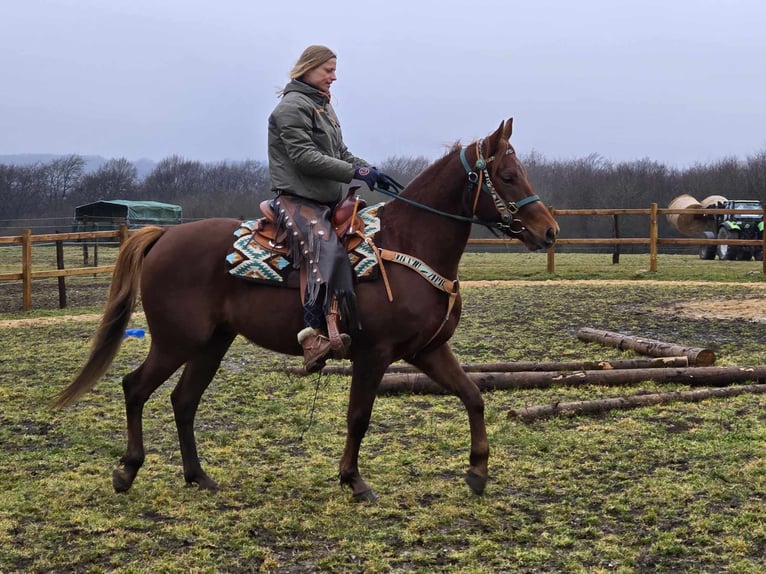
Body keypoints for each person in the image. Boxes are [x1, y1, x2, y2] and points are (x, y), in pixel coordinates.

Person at [267, 45, 387, 373]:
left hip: (328, 200)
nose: (334, 77)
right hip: (298, 199)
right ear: (308, 68)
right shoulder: (292, 108)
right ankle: (313, 335)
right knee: (325, 249)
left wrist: (369, 169)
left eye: (334, 70)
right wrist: (353, 173)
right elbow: (304, 157)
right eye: (328, 70)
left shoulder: (324, 108)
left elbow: (342, 153)